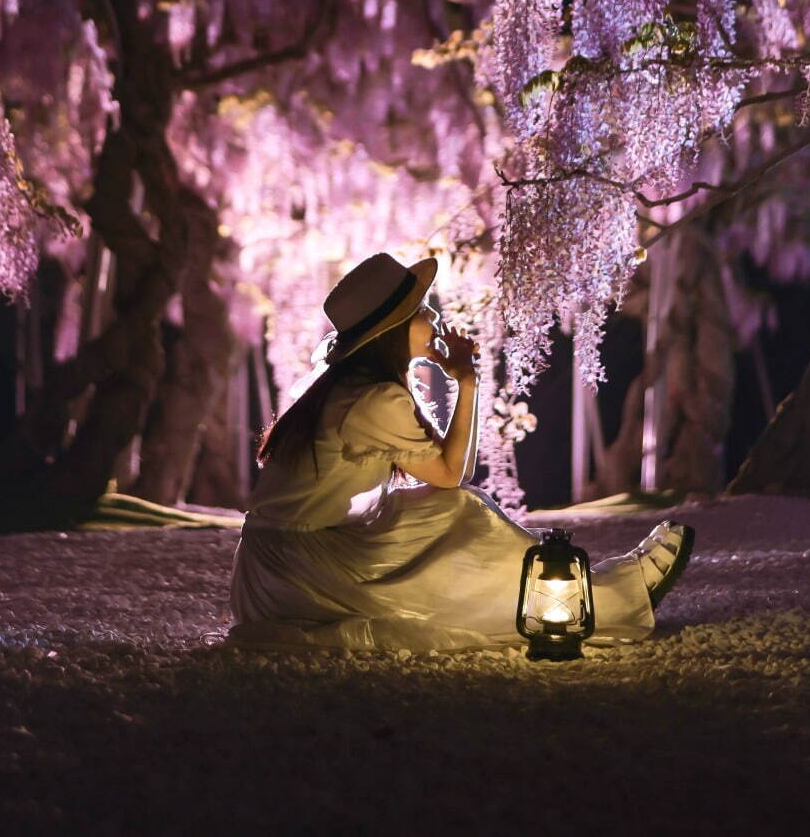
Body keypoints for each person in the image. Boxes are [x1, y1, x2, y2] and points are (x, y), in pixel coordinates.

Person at [228, 252, 694, 652]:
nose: (434, 319)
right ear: (392, 330)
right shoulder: (373, 399)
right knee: (458, 509)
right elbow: (453, 475)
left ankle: (576, 589)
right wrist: (466, 381)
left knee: (431, 512)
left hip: (271, 567)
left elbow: (446, 474)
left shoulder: (352, 388)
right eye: (421, 311)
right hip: (295, 574)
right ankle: (604, 597)